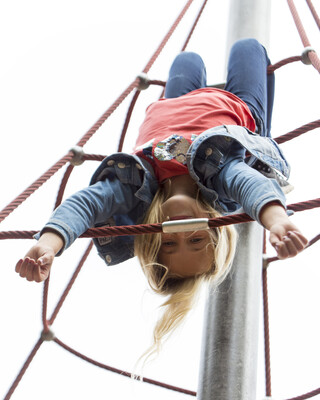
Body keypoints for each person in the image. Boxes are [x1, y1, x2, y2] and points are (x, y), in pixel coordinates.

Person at [15, 39, 308, 361]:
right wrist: (277, 220)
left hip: (171, 104)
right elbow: (250, 185)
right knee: (248, 48)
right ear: (215, 229)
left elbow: (85, 206)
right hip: (237, 108)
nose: (180, 232)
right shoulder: (220, 176)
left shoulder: (135, 189)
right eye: (196, 240)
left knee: (187, 58)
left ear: (152, 237)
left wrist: (49, 243)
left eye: (169, 245)